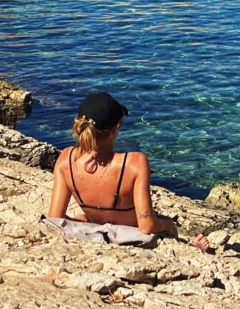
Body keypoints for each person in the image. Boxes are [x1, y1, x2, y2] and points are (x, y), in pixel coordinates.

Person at [47, 92, 203, 247]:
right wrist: (168, 224)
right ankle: (191, 247)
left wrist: (84, 223)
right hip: (131, 236)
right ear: (116, 128)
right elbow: (146, 226)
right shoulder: (134, 163)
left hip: (99, 229)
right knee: (164, 222)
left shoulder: (66, 159)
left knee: (82, 216)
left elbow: (55, 217)